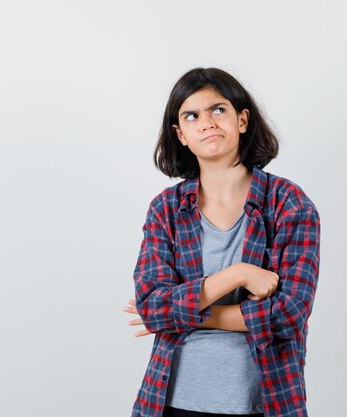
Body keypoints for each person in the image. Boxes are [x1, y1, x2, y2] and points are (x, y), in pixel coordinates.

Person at [122, 67, 321, 417]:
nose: (207, 122)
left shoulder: (288, 202)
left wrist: (188, 313)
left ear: (242, 120)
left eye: (218, 109)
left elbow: (289, 315)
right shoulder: (165, 209)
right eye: (192, 115)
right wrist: (237, 275)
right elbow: (153, 306)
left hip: (266, 401)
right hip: (171, 401)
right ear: (180, 133)